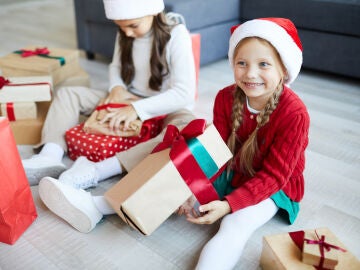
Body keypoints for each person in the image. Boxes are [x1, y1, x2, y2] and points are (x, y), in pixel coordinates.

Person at [180, 18, 310, 270]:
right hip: (234, 170)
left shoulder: (295, 114)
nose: (250, 73)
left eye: (263, 64)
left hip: (274, 185)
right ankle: (100, 205)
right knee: (177, 188)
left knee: (234, 223)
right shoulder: (225, 98)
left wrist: (229, 204)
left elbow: (275, 176)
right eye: (242, 63)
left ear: (283, 70)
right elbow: (216, 152)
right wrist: (191, 186)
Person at [22, 0, 196, 186]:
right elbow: (115, 66)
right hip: (129, 98)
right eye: (121, 27)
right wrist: (117, 88)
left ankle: (98, 170)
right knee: (68, 94)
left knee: (183, 129)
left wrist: (136, 109)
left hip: (166, 106)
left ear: (153, 12)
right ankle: (50, 155)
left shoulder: (177, 35)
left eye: (132, 26)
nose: (127, 32)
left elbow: (184, 93)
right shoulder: (124, 32)